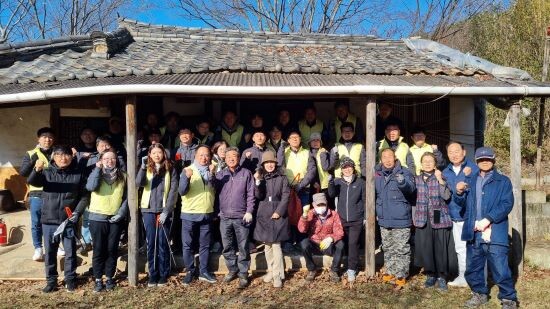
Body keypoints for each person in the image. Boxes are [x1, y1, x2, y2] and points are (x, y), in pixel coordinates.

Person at [454, 147, 518, 309]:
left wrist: (488, 219)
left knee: (499, 266)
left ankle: (508, 298)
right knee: (473, 267)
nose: (485, 162)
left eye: (488, 159)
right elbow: (461, 204)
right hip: (473, 231)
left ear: (493, 160)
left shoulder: (503, 181)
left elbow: (506, 204)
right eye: (481, 160)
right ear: (476, 161)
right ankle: (479, 294)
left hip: (495, 230)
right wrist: (459, 192)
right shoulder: (470, 179)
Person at [27, 145, 88, 293]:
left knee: (70, 252)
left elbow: (85, 196)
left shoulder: (78, 174)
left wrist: (77, 213)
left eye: (66, 155)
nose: (63, 158)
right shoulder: (47, 173)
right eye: (59, 155)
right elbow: (33, 181)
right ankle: (51, 281)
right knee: (50, 253)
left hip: (68, 220)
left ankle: (70, 280)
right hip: (49, 219)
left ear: (71, 156)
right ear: (54, 157)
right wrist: (37, 170)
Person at [85, 149, 128, 292]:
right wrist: (97, 169)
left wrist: (121, 213)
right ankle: (98, 279)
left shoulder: (124, 176)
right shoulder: (96, 173)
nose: (110, 161)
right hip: (97, 217)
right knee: (98, 249)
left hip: (115, 218)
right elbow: (90, 187)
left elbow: (128, 197)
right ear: (101, 160)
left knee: (112, 249)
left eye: (113, 158)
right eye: (106, 159)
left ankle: (109, 277)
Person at [136, 143, 178, 287]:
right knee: (151, 243)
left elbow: (173, 191)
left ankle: (163, 273)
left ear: (163, 154)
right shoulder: (146, 168)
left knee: (163, 242)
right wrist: (142, 168)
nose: (157, 155)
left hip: (164, 210)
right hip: (148, 210)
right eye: (153, 153)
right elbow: (138, 183)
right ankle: (153, 274)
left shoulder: (170, 168)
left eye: (159, 152)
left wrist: (167, 211)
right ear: (150, 155)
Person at [214, 147, 255, 289]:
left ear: (239, 158)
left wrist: (249, 211)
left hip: (241, 216)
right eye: (228, 156)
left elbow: (251, 194)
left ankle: (243, 273)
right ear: (224, 159)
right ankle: (232, 269)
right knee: (227, 246)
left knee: (243, 245)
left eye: (234, 156)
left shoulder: (246, 174)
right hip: (224, 216)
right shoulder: (220, 175)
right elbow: (212, 192)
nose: (231, 158)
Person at [375, 148, 415, 288]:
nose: (387, 160)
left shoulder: (404, 172)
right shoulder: (377, 174)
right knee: (388, 247)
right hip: (384, 217)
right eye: (384, 157)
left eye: (390, 157)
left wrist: (403, 182)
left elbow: (411, 189)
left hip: (401, 217)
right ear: (381, 159)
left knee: (401, 248)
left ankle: (401, 274)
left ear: (395, 158)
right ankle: (390, 271)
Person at [413, 152, 453, 291]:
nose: (428, 163)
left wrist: (440, 180)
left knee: (439, 245)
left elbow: (447, 196)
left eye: (430, 161)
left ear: (435, 163)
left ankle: (442, 276)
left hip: (437, 213)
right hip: (422, 215)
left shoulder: (440, 176)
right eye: (425, 161)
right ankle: (430, 274)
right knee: (426, 246)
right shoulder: (416, 179)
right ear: (421, 163)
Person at [179, 145, 217, 286]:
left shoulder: (212, 169)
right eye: (201, 155)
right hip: (190, 213)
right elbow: (182, 191)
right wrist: (186, 178)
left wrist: (213, 174)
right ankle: (190, 271)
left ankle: (204, 271)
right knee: (187, 245)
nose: (204, 158)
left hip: (206, 212)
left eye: (206, 155)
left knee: (205, 245)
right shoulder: (188, 170)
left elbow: (216, 188)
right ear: (195, 156)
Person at [443, 141, 479, 287]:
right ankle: (463, 277)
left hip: (471, 215)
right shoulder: (446, 172)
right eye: (450, 152)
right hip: (454, 215)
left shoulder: (474, 169)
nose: (454, 154)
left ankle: (477, 277)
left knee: (475, 248)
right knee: (460, 248)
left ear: (464, 152)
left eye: (457, 151)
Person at [253, 151, 290, 288]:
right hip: (264, 212)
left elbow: (286, 196)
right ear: (263, 164)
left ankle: (277, 275)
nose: (269, 165)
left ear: (275, 163)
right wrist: (257, 182)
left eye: (272, 162)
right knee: (267, 245)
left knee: (276, 245)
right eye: (267, 163)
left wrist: (279, 211)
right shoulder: (261, 177)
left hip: (277, 212)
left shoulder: (282, 177)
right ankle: (271, 270)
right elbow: (258, 195)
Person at [19, 127, 55, 261]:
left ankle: (54, 246)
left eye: (50, 137)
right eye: (44, 137)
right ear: (38, 139)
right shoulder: (31, 153)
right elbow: (23, 173)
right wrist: (32, 161)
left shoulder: (57, 152)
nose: (47, 139)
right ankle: (38, 248)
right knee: (36, 222)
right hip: (36, 193)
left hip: (53, 192)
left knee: (53, 221)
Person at [327, 158, 365, 282]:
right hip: (342, 219)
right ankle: (336, 268)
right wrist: (331, 183)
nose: (347, 169)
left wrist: (364, 216)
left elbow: (365, 200)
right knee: (341, 244)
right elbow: (332, 194)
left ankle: (351, 269)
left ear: (353, 168)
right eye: (344, 167)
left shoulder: (360, 182)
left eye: (349, 167)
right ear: (341, 170)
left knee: (353, 244)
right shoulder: (338, 182)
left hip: (356, 219)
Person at [298, 193, 345, 282]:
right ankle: (312, 269)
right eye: (318, 205)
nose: (321, 206)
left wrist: (331, 238)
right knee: (304, 244)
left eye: (322, 204)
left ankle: (334, 270)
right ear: (313, 204)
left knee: (341, 244)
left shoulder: (334, 214)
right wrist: (304, 216)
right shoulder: (310, 213)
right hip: (314, 243)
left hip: (328, 245)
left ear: (326, 203)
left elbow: (339, 231)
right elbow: (302, 229)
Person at [277, 131, 316, 209]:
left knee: (304, 213)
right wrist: (281, 148)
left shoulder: (307, 152)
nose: (295, 139)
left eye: (297, 137)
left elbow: (312, 170)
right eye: (292, 137)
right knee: (289, 213)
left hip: (304, 187)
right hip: (288, 188)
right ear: (288, 140)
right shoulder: (284, 152)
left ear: (300, 139)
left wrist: (301, 184)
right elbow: (279, 165)